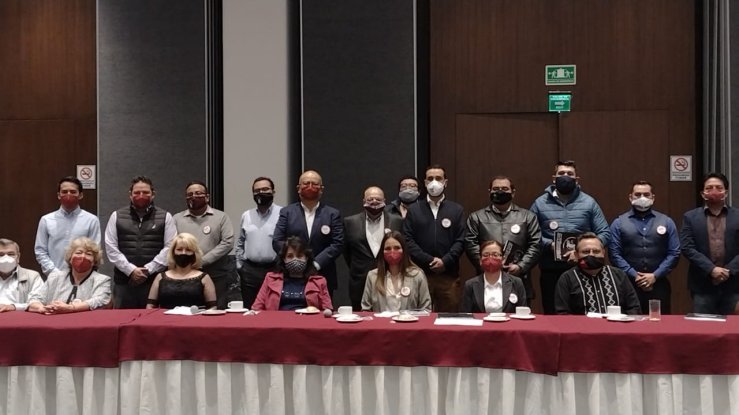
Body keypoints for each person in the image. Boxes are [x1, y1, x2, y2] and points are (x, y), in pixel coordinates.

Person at [530, 160, 610, 314]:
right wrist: (550, 245)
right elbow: (531, 234)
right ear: (554, 178)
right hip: (551, 269)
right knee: (553, 314)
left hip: (584, 269)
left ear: (576, 179)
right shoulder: (540, 203)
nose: (565, 176)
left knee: (584, 312)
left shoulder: (589, 203)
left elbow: (605, 233)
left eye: (570, 174)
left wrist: (583, 251)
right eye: (561, 173)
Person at [104, 176, 177, 308]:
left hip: (154, 281)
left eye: (145, 192)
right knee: (121, 319)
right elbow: (111, 248)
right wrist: (131, 270)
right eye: (137, 192)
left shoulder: (166, 217)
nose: (141, 196)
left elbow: (169, 247)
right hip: (124, 282)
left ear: (153, 194)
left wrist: (148, 270)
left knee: (154, 319)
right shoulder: (116, 216)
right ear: (130, 195)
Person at [465, 175, 541, 300]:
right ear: (489, 192)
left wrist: (521, 266)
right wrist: (488, 264)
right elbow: (470, 244)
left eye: (505, 189)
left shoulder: (528, 217)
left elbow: (536, 245)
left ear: (513, 193)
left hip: (519, 278)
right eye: (496, 189)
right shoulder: (476, 217)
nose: (500, 192)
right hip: (486, 277)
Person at [609, 181, 680, 314]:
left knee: (659, 322)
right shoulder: (618, 223)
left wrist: (654, 275)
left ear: (653, 197)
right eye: (638, 194)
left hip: (658, 283)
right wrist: (635, 275)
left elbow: (674, 253)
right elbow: (614, 254)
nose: (642, 198)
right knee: (629, 322)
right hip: (628, 284)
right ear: (630, 197)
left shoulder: (666, 221)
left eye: (646, 195)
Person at [403, 165, 466, 312]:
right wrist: (428, 260)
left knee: (449, 319)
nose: (434, 182)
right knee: (419, 317)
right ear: (425, 183)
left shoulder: (456, 210)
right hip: (420, 274)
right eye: (430, 179)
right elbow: (408, 240)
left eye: (438, 178)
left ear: (445, 182)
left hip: (448, 275)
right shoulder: (414, 210)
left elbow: (461, 240)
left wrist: (445, 261)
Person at [272, 170, 343, 296]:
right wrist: (294, 260)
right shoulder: (287, 212)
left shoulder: (332, 214)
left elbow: (337, 244)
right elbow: (277, 240)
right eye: (306, 183)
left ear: (321, 189)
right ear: (298, 188)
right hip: (291, 274)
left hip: (323, 272)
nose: (310, 187)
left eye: (314, 184)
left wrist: (316, 264)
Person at [680, 173, 739, 314]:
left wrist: (728, 271)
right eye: (709, 188)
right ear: (703, 194)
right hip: (703, 285)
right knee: (703, 325)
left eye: (719, 188)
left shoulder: (738, 216)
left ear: (726, 192)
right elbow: (687, 247)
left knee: (733, 326)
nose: (714, 191)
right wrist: (711, 269)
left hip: (734, 283)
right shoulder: (690, 217)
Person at [173, 180, 238, 309]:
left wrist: (202, 261)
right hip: (186, 276)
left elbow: (228, 242)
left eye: (198, 193)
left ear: (207, 197)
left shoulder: (221, 217)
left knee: (216, 312)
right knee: (187, 312)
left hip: (216, 276)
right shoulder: (176, 219)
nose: (194, 197)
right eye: (190, 194)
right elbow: (172, 245)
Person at [344, 186, 403, 310]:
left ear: (384, 201)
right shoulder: (350, 222)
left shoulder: (397, 221)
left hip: (389, 276)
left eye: (378, 199)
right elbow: (346, 251)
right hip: (360, 279)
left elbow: (402, 247)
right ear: (363, 201)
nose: (374, 202)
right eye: (370, 199)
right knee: (360, 316)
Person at [554, 233, 640, 315]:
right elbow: (562, 313)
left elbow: (634, 308)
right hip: (581, 325)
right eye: (586, 252)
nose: (591, 255)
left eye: (596, 251)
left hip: (617, 325)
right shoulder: (567, 279)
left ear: (603, 252)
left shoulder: (619, 275)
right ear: (576, 254)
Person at [34, 176, 101, 277]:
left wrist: (82, 273)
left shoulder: (91, 220)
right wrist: (54, 272)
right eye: (64, 192)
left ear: (80, 195)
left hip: (83, 277)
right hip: (54, 276)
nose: (68, 195)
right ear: (58, 195)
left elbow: (95, 251)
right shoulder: (46, 220)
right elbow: (40, 250)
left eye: (73, 192)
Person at [27, 237, 111, 313]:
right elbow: (34, 299)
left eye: (88, 254)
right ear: (70, 258)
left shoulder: (102, 280)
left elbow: (101, 300)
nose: (83, 257)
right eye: (78, 253)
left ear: (94, 261)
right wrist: (42, 308)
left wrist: (71, 308)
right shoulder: (55, 277)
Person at [236, 176, 283, 308]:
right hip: (250, 271)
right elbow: (240, 242)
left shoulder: (283, 213)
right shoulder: (246, 215)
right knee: (250, 309)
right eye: (257, 191)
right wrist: (240, 266)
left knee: (273, 308)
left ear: (273, 192)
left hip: (274, 269)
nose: (261, 193)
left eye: (265, 189)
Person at [252, 236, 332, 311]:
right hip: (276, 320)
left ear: (307, 258)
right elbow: (257, 308)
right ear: (284, 259)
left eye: (299, 256)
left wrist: (327, 311)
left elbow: (327, 309)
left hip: (307, 320)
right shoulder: (270, 278)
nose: (295, 260)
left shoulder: (319, 281)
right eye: (290, 256)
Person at [360, 231, 431, 312]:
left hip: (408, 320)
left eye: (397, 248)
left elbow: (426, 310)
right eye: (388, 249)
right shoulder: (372, 276)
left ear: (404, 250)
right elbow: (365, 310)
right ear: (382, 252)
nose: (392, 252)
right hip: (381, 320)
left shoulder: (417, 275)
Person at [146, 233, 217, 309]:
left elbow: (213, 307)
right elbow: (150, 306)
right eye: (179, 249)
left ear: (194, 253)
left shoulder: (205, 278)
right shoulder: (160, 277)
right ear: (173, 252)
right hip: (164, 317)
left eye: (188, 250)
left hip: (195, 316)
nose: (183, 253)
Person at [460, 240, 527, 313]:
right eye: (486, 255)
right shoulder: (470, 285)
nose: (490, 258)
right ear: (480, 260)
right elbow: (465, 315)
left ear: (503, 260)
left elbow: (523, 313)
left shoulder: (517, 283)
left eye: (495, 255)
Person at [0, 238, 43, 312]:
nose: (6, 258)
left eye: (11, 254)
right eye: (1, 255)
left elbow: (37, 302)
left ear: (18, 257)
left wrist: (13, 307)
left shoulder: (32, 276)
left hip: (18, 316)